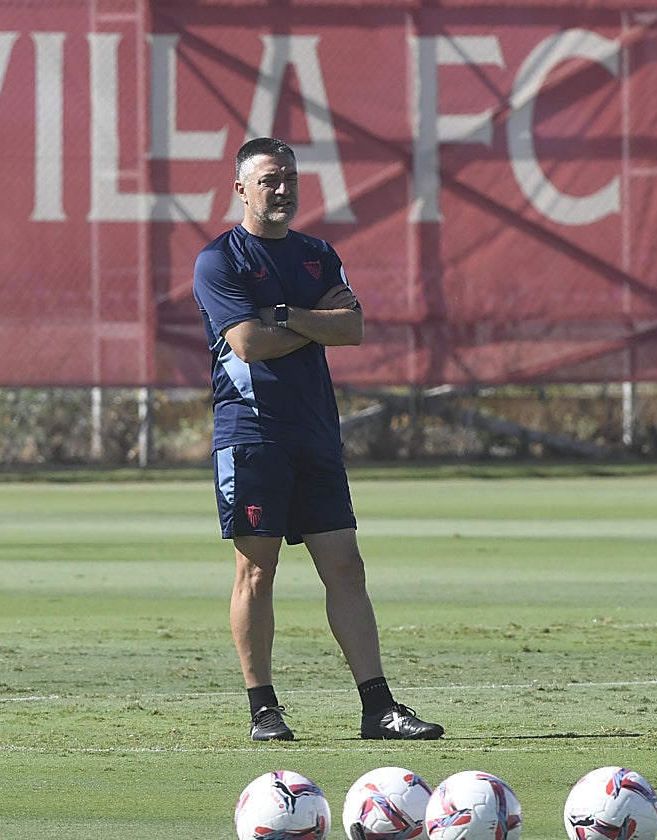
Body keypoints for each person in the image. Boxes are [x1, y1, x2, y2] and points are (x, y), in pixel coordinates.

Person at [192, 137, 444, 742]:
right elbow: (248, 344)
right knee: (258, 570)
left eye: (290, 178)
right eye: (269, 180)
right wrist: (311, 322)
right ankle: (263, 708)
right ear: (241, 189)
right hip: (252, 435)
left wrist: (284, 316)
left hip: (314, 433)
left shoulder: (317, 255)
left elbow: (352, 327)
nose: (283, 189)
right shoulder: (219, 261)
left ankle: (377, 707)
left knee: (346, 566)